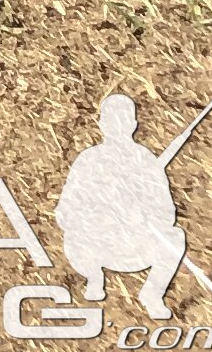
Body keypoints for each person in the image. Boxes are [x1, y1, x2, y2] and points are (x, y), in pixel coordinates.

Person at [57, 93, 187, 319]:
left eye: (123, 120)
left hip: (134, 245)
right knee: (73, 236)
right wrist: (94, 215)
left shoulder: (145, 160)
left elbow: (167, 213)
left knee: (175, 237)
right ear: (102, 124)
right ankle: (94, 278)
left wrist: (145, 217)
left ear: (133, 124)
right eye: (110, 120)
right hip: (95, 245)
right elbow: (65, 209)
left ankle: (152, 294)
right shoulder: (88, 159)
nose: (117, 126)